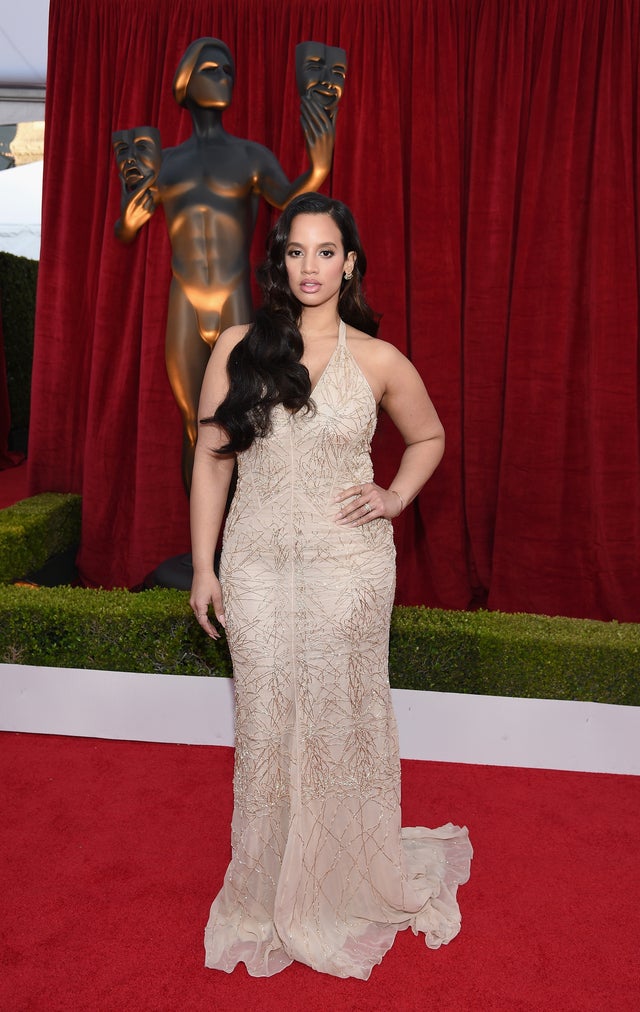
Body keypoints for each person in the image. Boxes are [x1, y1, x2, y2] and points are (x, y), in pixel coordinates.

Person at [189, 192, 472, 979]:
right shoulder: (241, 348)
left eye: (326, 252)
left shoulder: (376, 359)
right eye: (295, 252)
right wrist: (205, 566)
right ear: (278, 263)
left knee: (339, 721)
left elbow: (430, 435)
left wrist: (396, 495)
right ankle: (270, 879)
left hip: (349, 567)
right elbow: (213, 462)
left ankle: (342, 877)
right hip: (254, 563)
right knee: (269, 720)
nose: (311, 267)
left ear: (349, 264)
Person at [114, 38, 340, 493]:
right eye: (212, 70)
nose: (223, 78)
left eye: (228, 71)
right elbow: (125, 232)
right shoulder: (166, 163)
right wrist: (129, 218)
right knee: (193, 424)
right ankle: (204, 547)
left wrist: (318, 167)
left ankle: (235, 543)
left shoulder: (250, 157)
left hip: (235, 295)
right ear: (186, 82)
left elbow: (289, 201)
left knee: (240, 423)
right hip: (186, 299)